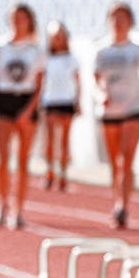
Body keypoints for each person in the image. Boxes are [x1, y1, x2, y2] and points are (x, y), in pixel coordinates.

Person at [94, 2, 139, 228]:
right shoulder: (102, 51)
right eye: (114, 17)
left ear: (130, 21)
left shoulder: (138, 51)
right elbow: (95, 80)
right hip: (109, 111)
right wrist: (101, 95)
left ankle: (122, 206)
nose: (118, 22)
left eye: (123, 17)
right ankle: (117, 198)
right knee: (115, 163)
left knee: (126, 161)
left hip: (133, 110)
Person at [0, 4, 46, 229]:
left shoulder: (37, 50)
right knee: (2, 160)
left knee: (23, 161)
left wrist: (29, 110)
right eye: (14, 18)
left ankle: (18, 209)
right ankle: (1, 204)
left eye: (22, 18)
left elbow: (40, 85)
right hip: (4, 101)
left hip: (26, 101)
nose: (18, 22)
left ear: (30, 21)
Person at [40, 21, 79, 192]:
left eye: (60, 36)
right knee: (49, 140)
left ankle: (63, 174)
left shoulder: (72, 59)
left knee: (64, 141)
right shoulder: (46, 59)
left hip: (67, 101)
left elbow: (78, 82)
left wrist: (79, 101)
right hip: (50, 101)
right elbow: (40, 81)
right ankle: (49, 171)